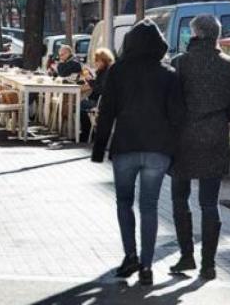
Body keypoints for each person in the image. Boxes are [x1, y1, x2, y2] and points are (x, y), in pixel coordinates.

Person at [91, 19, 183, 287]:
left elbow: (106, 111)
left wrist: (98, 150)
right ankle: (146, 265)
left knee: (123, 203)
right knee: (150, 207)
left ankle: (129, 255)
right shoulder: (169, 74)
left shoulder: (118, 72)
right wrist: (175, 153)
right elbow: (178, 116)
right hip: (158, 149)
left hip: (126, 146)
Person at [168, 15, 230, 280]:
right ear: (216, 35)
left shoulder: (180, 63)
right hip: (215, 138)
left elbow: (169, 102)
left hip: (182, 139)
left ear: (195, 34)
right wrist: (218, 119)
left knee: (180, 197)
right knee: (209, 203)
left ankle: (186, 256)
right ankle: (209, 264)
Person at [79, 47, 115, 142]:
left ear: (104, 60)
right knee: (81, 104)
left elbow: (101, 89)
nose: (95, 63)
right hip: (102, 101)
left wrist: (90, 81)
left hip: (102, 103)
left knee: (79, 105)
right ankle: (88, 133)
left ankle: (86, 133)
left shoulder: (106, 72)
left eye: (97, 61)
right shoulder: (106, 71)